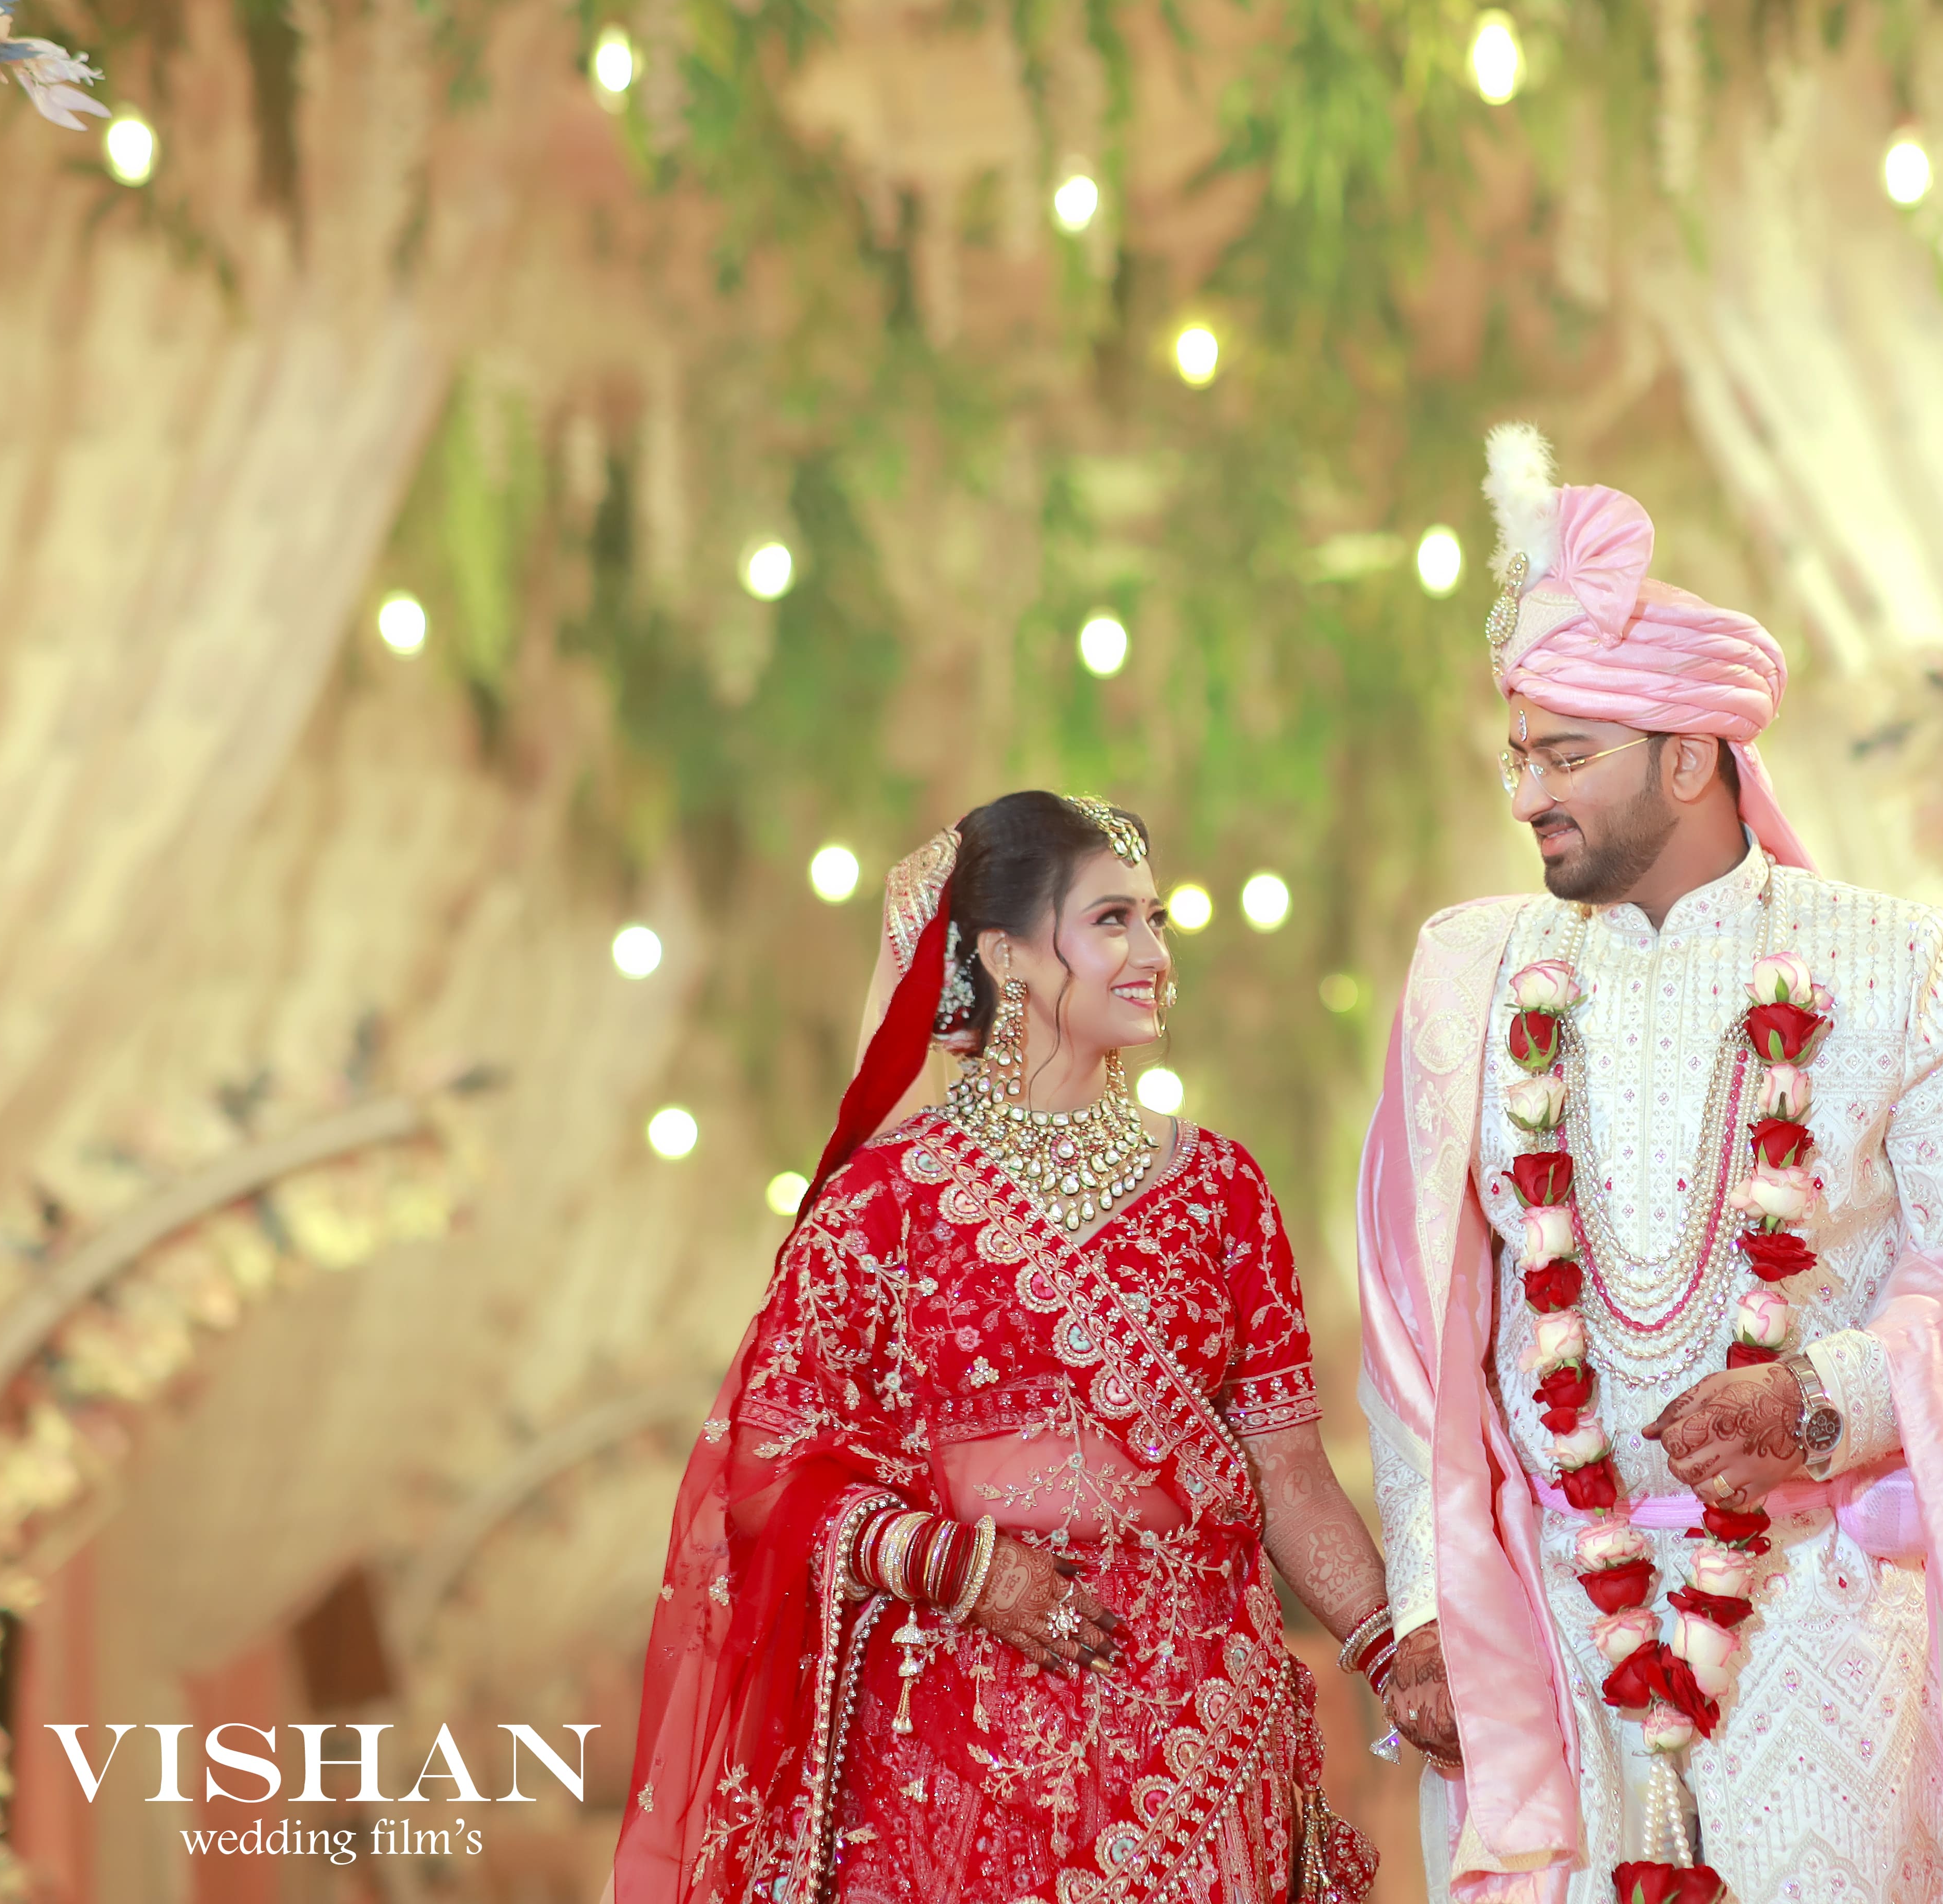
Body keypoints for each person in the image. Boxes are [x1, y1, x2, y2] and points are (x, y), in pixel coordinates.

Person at [1355, 430, 1943, 1904]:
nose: (1529, 792)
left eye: (1567, 756)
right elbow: (1416, 1339)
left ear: (1691, 757)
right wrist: (1427, 1610)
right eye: (1520, 754)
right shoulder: (1471, 977)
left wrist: (1821, 1397)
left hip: (1820, 1634)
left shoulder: (1891, 964)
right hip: (1552, 1639)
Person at [614, 790, 1446, 1904]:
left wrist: (1398, 1653)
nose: (1154, 954)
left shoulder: (1221, 1190)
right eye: (1112, 921)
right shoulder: (884, 1204)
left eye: (1156, 921)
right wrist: (959, 1566)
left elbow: (1287, 1474)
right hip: (953, 1752)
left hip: (1204, 1738)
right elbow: (765, 1472)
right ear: (1004, 953)